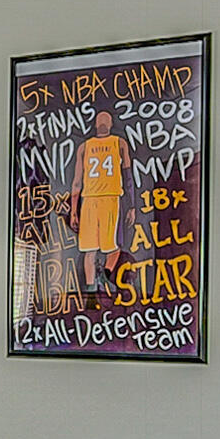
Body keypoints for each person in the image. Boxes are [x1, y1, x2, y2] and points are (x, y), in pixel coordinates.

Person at [64, 105, 134, 298]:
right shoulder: (118, 143)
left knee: (92, 250)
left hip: (94, 200)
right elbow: (127, 177)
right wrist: (132, 205)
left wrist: (74, 211)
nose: (103, 123)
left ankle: (92, 289)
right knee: (109, 248)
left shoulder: (86, 147)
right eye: (102, 120)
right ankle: (100, 280)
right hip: (106, 199)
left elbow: (77, 182)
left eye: (105, 120)